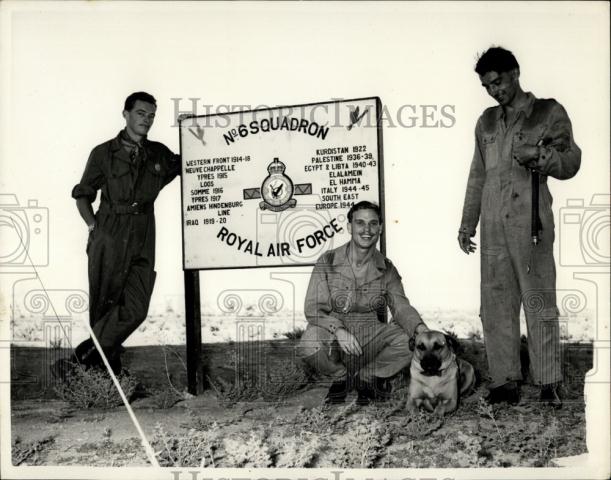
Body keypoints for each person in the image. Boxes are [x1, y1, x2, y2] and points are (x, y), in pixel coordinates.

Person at [458, 47, 581, 408]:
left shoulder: (548, 111)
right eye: (486, 86)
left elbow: (571, 161)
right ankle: (504, 382)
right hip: (493, 228)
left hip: (532, 226)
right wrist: (468, 223)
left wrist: (541, 157)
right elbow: (477, 175)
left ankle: (547, 382)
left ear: (515, 72)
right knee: (495, 304)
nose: (494, 91)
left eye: (497, 82)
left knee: (539, 302)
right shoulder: (485, 122)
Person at [59, 91, 181, 376]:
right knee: (104, 306)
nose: (147, 120)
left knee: (136, 307)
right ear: (125, 114)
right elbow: (82, 195)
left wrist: (193, 129)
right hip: (110, 231)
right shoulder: (103, 153)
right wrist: (94, 228)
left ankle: (79, 362)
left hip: (144, 231)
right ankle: (103, 374)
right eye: (141, 114)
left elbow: (191, 160)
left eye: (151, 116)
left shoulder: (159, 154)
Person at [299, 201, 429, 404]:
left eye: (373, 223)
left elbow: (401, 307)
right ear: (350, 227)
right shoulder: (329, 260)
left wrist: (420, 330)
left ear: (380, 228)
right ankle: (340, 377)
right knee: (309, 342)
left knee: (412, 341)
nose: (366, 230)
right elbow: (313, 309)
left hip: (370, 333)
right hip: (335, 334)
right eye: (360, 223)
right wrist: (339, 330)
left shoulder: (386, 268)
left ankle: (367, 377)